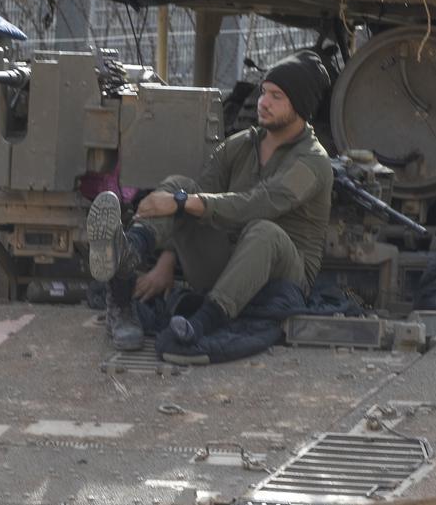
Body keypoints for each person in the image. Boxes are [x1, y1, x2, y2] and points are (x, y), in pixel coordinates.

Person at [85, 51, 334, 351]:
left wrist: (181, 202)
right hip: (228, 264)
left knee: (262, 230)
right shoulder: (242, 144)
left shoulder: (313, 162)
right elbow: (194, 202)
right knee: (180, 185)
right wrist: (166, 262)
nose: (263, 102)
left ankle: (201, 324)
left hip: (281, 281)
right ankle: (127, 264)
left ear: (301, 106)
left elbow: (259, 204)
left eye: (277, 96)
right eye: (264, 92)